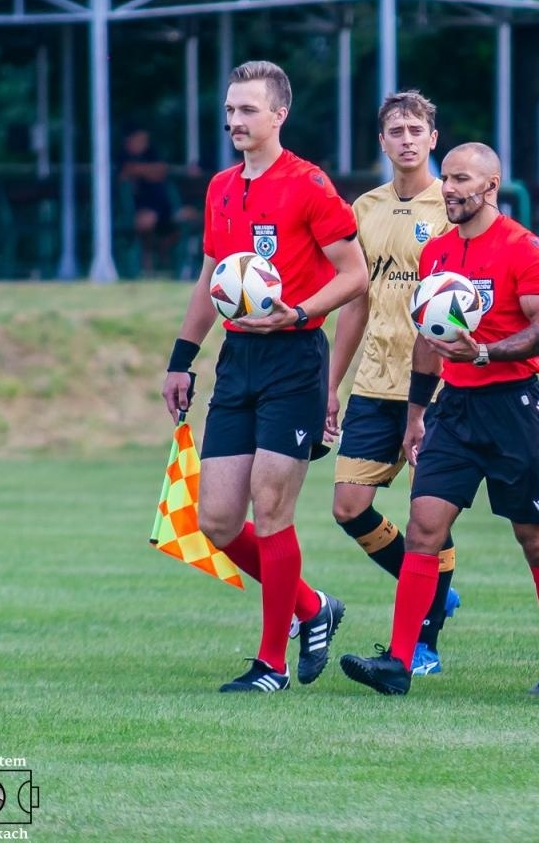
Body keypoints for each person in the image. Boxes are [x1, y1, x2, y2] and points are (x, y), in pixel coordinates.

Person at [161, 60, 367, 693]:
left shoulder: (309, 184)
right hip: (237, 363)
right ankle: (313, 606)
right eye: (229, 110)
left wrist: (300, 313)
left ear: (279, 114)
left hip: (295, 359)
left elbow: (355, 273)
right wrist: (181, 357)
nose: (234, 121)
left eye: (247, 110)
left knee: (272, 509)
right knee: (216, 521)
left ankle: (270, 664)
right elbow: (210, 277)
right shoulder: (221, 186)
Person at [340, 143, 539, 697]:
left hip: (514, 408)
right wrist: (417, 412)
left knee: (535, 539)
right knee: (424, 529)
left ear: (491, 186)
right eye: (445, 178)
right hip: (454, 410)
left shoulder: (526, 248)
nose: (447, 188)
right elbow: (431, 337)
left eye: (460, 179)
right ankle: (399, 662)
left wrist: (488, 354)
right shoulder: (439, 252)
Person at [324, 91, 459, 676]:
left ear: (433, 137)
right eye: (395, 130)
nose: (406, 139)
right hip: (375, 383)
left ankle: (424, 643)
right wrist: (330, 384)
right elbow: (355, 300)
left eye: (416, 129)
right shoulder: (364, 208)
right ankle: (433, 592)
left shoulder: (452, 202)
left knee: (430, 515)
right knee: (348, 506)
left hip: (438, 386)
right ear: (381, 142)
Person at [119, 125, 196, 275]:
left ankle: (169, 259)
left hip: (166, 209)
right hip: (140, 212)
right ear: (129, 141)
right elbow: (128, 171)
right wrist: (146, 171)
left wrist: (142, 170)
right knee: (147, 221)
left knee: (192, 216)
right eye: (140, 140)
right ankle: (148, 263)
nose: (144, 143)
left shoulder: (151, 153)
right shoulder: (122, 157)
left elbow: (161, 169)